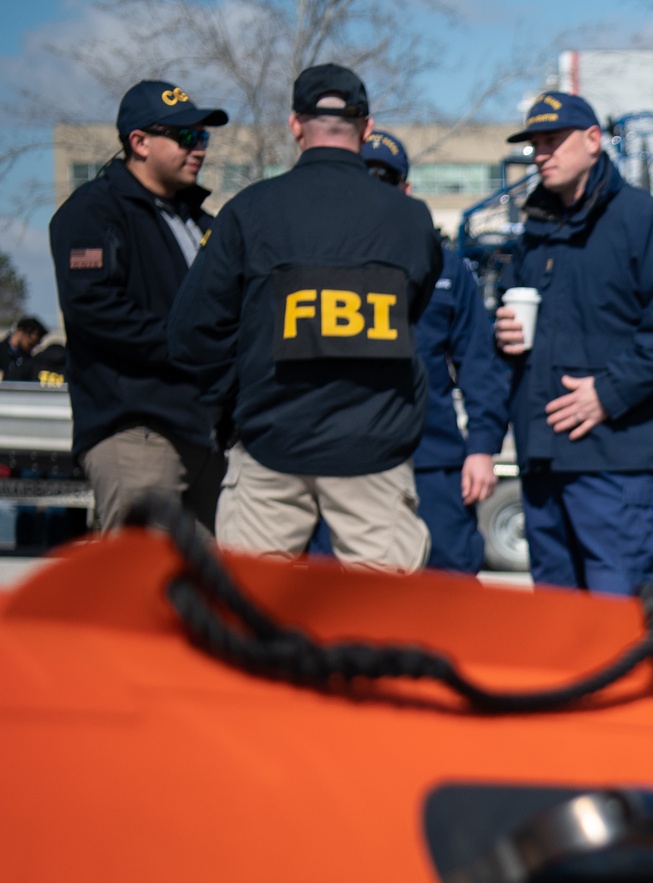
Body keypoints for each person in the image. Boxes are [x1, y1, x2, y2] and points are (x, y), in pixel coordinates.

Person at [167, 64, 441, 570]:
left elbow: (192, 334)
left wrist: (233, 407)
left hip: (271, 440)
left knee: (248, 615)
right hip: (374, 448)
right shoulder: (410, 219)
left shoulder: (250, 211)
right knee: (382, 623)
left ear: (295, 125)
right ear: (367, 126)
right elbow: (414, 307)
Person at [493, 92, 653, 597]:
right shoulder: (535, 233)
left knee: (624, 612)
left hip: (616, 460)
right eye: (535, 144)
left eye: (553, 141)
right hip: (542, 457)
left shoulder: (645, 220)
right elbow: (517, 330)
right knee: (558, 624)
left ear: (593, 141)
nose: (541, 154)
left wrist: (607, 393)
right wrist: (501, 330)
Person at [49, 80, 228, 528]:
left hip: (204, 434)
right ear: (139, 142)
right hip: (136, 434)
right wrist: (196, 347)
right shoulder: (93, 212)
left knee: (208, 592)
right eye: (186, 136)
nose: (199, 149)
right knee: (140, 585)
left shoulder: (199, 221)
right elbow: (95, 308)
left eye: (202, 136)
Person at [361, 130, 509, 574]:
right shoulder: (327, 258)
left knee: (451, 584)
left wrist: (482, 448)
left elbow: (479, 362)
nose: (375, 191)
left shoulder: (447, 267)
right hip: (350, 458)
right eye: (364, 177)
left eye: (385, 180)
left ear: (406, 189)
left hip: (434, 458)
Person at [2, 317, 65, 385]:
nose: (32, 348)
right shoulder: (2, 352)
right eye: (30, 344)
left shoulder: (28, 360)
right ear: (20, 331)